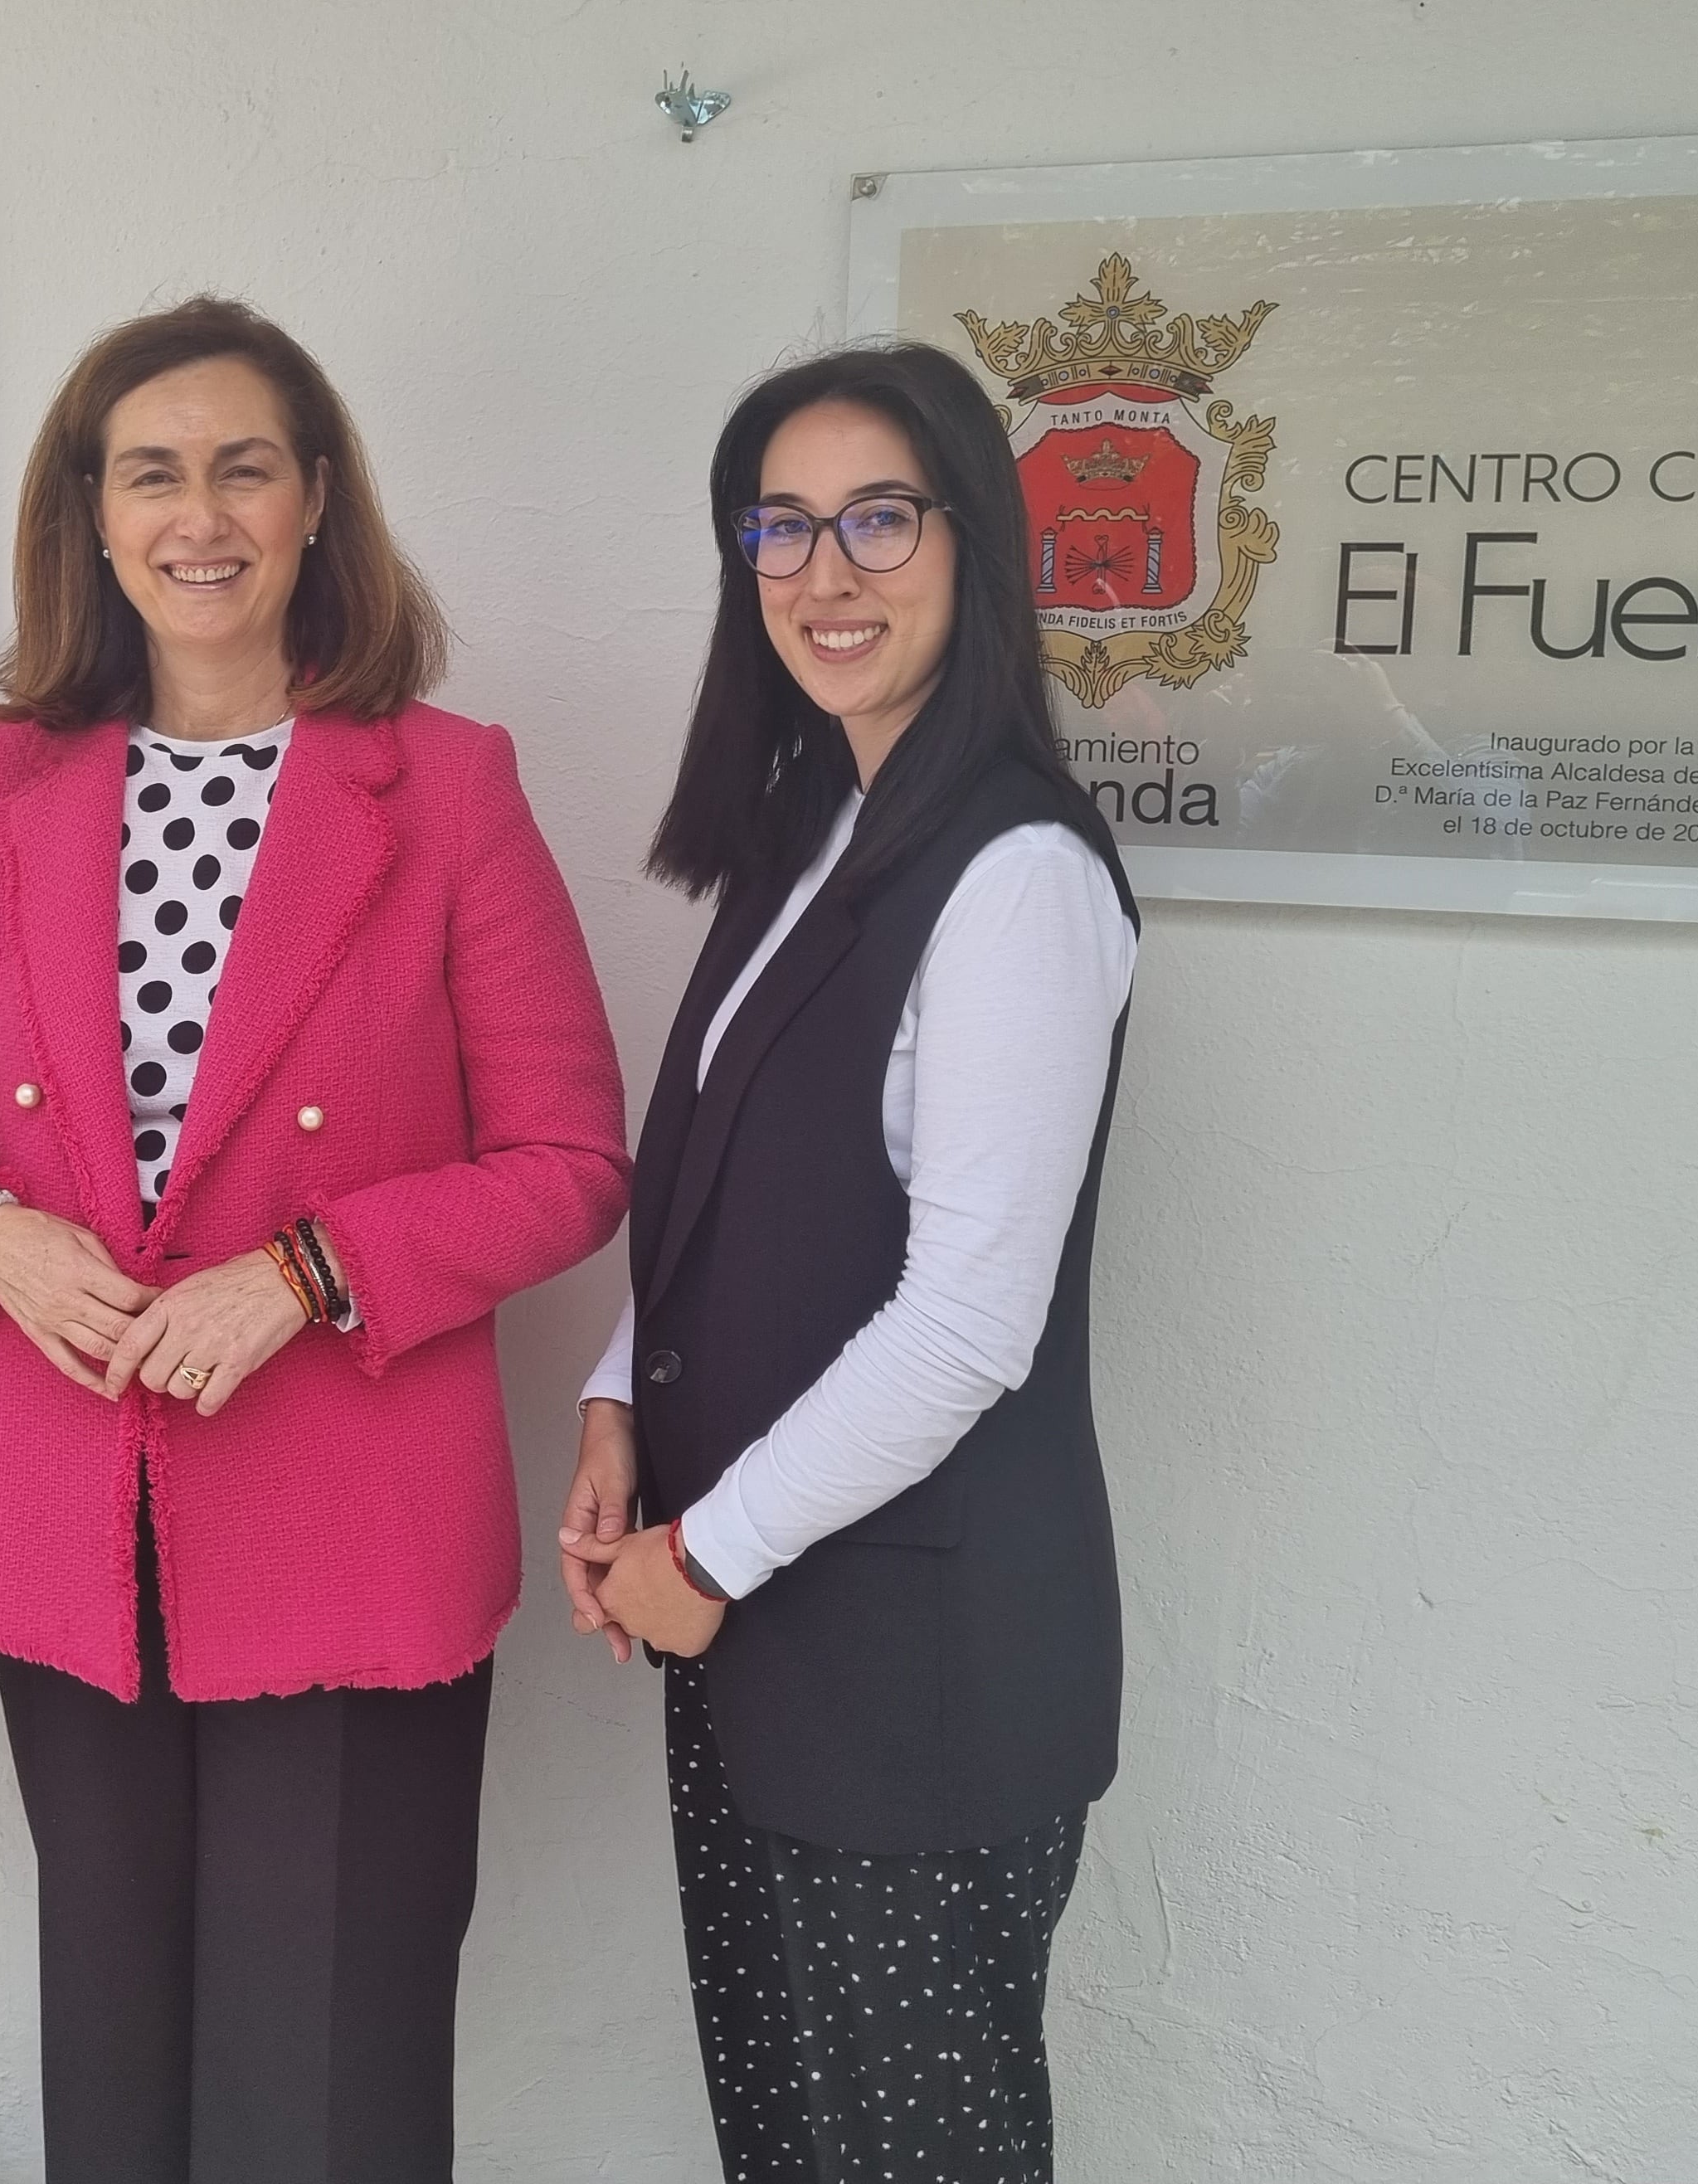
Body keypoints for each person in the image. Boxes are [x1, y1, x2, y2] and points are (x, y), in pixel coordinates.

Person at [0, 296, 630, 2184]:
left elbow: (568, 1156)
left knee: (325, 2078)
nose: (195, 513)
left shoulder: (443, 787)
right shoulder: (2, 781)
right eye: (150, 471)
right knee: (112, 2058)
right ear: (93, 514)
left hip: (344, 1524)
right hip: (68, 1512)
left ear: (311, 506)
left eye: (240, 466)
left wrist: (305, 1274)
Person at [561, 343, 1140, 2184]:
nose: (827, 571)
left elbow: (970, 1320)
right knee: (794, 2147)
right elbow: (728, 1187)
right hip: (760, 1631)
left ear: (971, 542)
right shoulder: (808, 832)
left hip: (916, 1674)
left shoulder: (1015, 876)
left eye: (877, 516)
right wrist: (611, 1407)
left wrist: (702, 1552)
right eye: (781, 526)